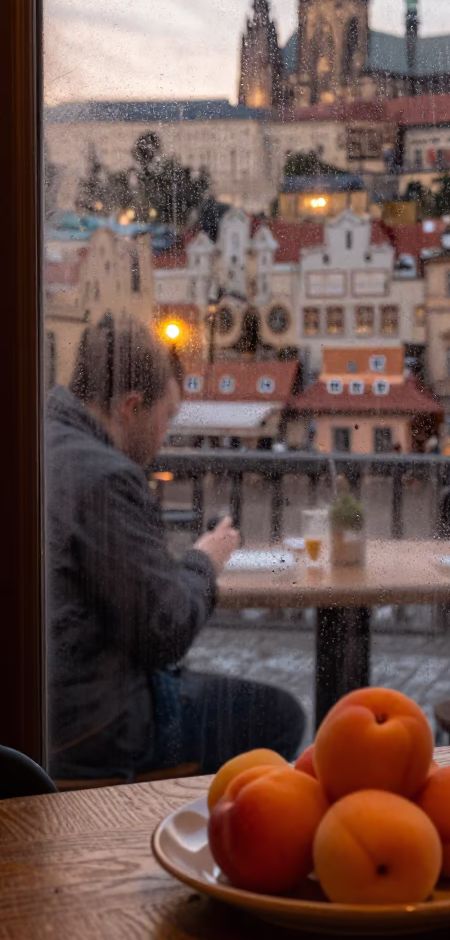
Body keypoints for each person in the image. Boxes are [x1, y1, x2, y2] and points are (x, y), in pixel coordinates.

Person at [47, 313, 305, 781]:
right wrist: (205, 560)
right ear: (130, 406)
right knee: (279, 715)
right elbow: (163, 633)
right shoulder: (105, 476)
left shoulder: (37, 437)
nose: (165, 437)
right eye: (167, 416)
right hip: (90, 728)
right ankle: (202, 840)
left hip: (42, 708)